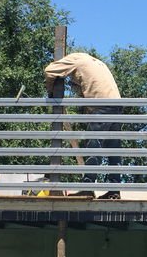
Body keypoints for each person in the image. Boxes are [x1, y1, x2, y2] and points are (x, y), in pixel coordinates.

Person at [44, 52, 122, 199]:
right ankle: (114, 191)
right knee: (113, 149)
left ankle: (87, 187)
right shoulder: (95, 62)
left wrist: (51, 92)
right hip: (117, 104)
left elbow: (49, 70)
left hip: (102, 104)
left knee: (93, 145)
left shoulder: (74, 60)